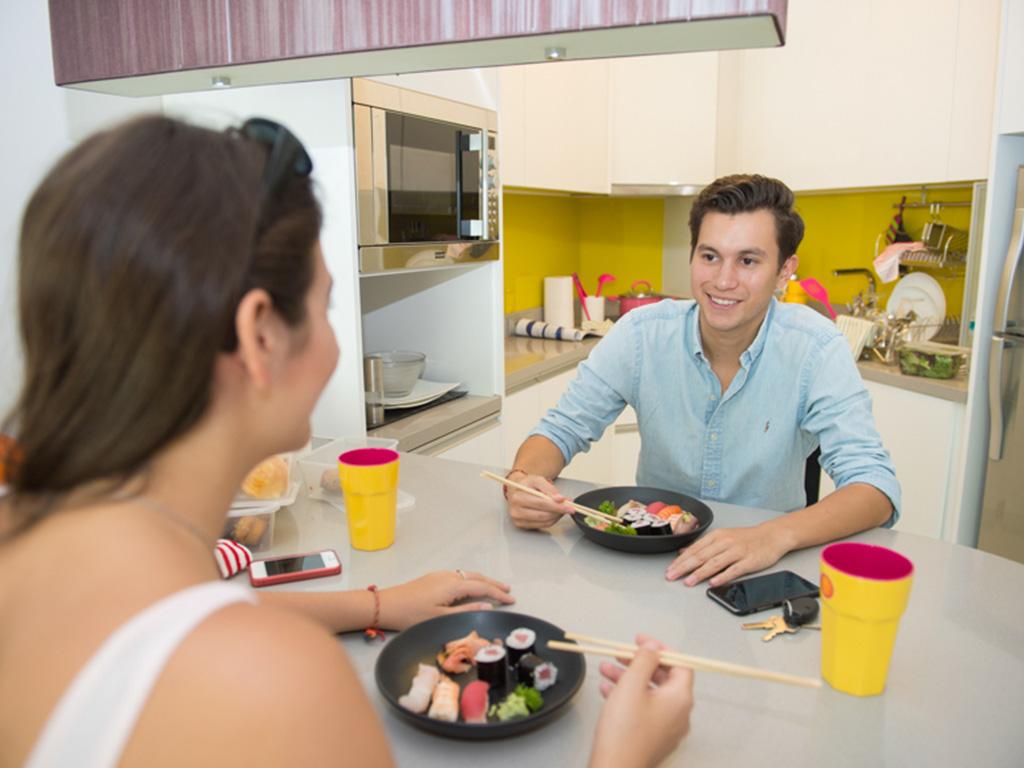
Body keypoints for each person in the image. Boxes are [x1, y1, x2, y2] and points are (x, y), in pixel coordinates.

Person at [0, 115, 692, 768]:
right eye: (328, 305)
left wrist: (375, 605)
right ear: (260, 334)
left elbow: (175, 611)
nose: (336, 343)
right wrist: (623, 756)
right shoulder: (276, 682)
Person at [505, 174, 900, 588]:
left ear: (784, 271)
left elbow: (876, 488)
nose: (723, 281)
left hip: (766, 567)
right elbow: (560, 431)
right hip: (655, 562)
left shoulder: (816, 348)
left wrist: (773, 536)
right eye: (710, 256)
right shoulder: (640, 334)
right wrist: (521, 482)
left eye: (748, 261)